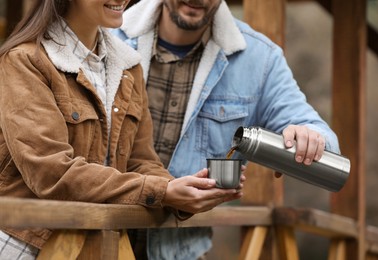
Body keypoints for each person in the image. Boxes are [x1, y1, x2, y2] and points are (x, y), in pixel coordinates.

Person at [0, 0, 244, 259]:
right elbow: (50, 172)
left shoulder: (128, 66)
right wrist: (162, 191)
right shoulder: (25, 60)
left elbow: (141, 162)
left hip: (92, 245)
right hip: (23, 244)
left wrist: (184, 190)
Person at [111, 0, 341, 259]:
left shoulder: (260, 59)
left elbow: (325, 142)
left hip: (182, 251)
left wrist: (309, 136)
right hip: (93, 242)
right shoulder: (107, 35)